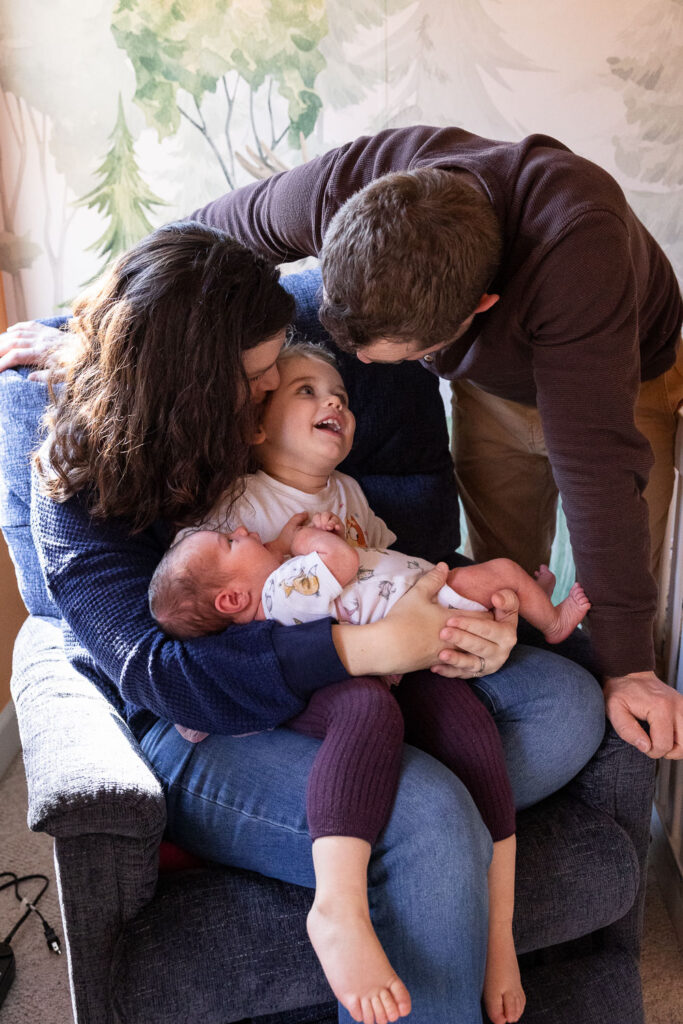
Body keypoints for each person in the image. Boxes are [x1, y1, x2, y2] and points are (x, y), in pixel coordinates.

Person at [3, 222, 607, 1024]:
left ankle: (374, 816)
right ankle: (383, 864)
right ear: (183, 379)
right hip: (204, 725)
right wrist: (366, 647)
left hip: (349, 672)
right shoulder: (73, 486)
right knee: (428, 820)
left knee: (565, 706)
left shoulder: (256, 420)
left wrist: (472, 627)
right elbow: (164, 677)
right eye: (256, 377)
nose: (272, 385)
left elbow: (400, 567)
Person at [176, 125, 683, 762]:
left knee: (631, 610)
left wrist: (629, 666)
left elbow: (599, 476)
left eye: (383, 356)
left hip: (622, 378)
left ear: (481, 305)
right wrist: (103, 309)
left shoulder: (579, 246)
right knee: (504, 583)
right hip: (495, 387)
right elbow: (206, 233)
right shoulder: (350, 184)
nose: (352, 367)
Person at [146, 345, 586, 1024]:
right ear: (254, 426)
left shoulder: (349, 493)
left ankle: (498, 933)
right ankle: (346, 897)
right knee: (393, 754)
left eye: (341, 394)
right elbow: (220, 614)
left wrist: (476, 614)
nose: (334, 403)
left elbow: (399, 564)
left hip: (400, 653)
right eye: (303, 390)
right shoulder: (237, 506)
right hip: (317, 679)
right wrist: (301, 541)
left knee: (479, 726)